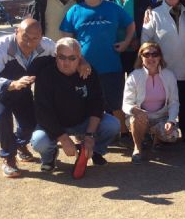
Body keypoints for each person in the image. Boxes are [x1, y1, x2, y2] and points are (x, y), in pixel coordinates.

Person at [0, 18, 56, 177]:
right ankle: (8, 158)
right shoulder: (1, 46)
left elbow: (65, 50)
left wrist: (82, 62)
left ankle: (18, 145)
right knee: (3, 116)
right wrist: (11, 84)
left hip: (20, 83)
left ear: (41, 36)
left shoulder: (46, 44)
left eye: (35, 38)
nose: (30, 42)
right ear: (16, 32)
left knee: (30, 123)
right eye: (25, 36)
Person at [30, 37, 120, 172]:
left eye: (72, 58)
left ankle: (96, 151)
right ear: (55, 57)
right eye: (62, 57)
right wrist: (63, 139)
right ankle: (49, 156)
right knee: (39, 141)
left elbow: (97, 105)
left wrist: (89, 136)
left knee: (113, 125)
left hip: (82, 122)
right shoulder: (45, 75)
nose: (66, 62)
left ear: (80, 58)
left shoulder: (89, 72)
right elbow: (43, 112)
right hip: (55, 123)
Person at [60, 0, 135, 129]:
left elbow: (131, 25)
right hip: (83, 69)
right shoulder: (74, 11)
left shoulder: (112, 8)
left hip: (111, 66)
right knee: (85, 103)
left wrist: (126, 42)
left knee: (115, 102)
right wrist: (79, 60)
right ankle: (87, 135)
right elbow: (67, 41)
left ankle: (122, 133)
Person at [142, 0, 185, 141]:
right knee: (165, 103)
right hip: (163, 69)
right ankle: (161, 132)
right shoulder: (154, 13)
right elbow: (146, 39)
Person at [123, 42, 180, 163]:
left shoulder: (169, 75)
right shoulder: (134, 76)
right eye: (146, 54)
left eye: (155, 54)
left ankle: (156, 139)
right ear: (141, 57)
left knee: (173, 135)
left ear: (160, 57)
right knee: (137, 118)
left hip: (161, 117)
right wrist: (135, 110)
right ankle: (137, 147)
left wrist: (171, 120)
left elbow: (174, 102)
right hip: (141, 117)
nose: (151, 58)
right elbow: (126, 104)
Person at [109, 0, 152, 75]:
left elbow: (150, 25)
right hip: (113, 51)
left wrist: (140, 39)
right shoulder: (106, 0)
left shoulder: (144, 0)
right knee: (117, 88)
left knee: (137, 87)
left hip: (136, 50)